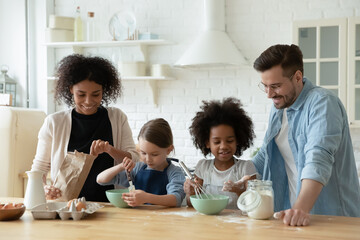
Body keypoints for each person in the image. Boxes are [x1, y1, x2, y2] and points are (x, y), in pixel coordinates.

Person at [253, 44, 360, 226]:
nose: (269, 94)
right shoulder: (279, 106)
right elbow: (266, 154)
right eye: (265, 86)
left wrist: (301, 208)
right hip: (295, 216)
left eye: (276, 86)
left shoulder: (323, 103)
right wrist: (238, 172)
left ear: (297, 77)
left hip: (333, 219)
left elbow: (318, 158)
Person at [31, 54, 139, 202]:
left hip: (111, 205)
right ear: (70, 90)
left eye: (96, 94)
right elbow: (39, 168)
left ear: (104, 91)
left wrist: (110, 150)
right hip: (67, 205)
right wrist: (43, 187)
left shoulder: (117, 117)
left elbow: (135, 159)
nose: (88, 101)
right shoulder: (54, 122)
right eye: (81, 94)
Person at [183, 97, 257, 209]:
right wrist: (190, 193)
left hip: (237, 224)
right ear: (207, 143)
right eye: (217, 142)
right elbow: (191, 204)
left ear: (238, 140)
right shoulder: (203, 167)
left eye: (230, 141)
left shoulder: (246, 168)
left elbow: (253, 204)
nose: (223, 146)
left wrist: (238, 190)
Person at [97, 118, 186, 207]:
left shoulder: (174, 172)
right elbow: (101, 180)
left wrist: (147, 198)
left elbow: (176, 199)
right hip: (138, 218)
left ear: (169, 150)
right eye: (143, 153)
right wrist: (121, 166)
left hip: (164, 219)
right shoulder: (137, 169)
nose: (148, 159)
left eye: (154, 154)